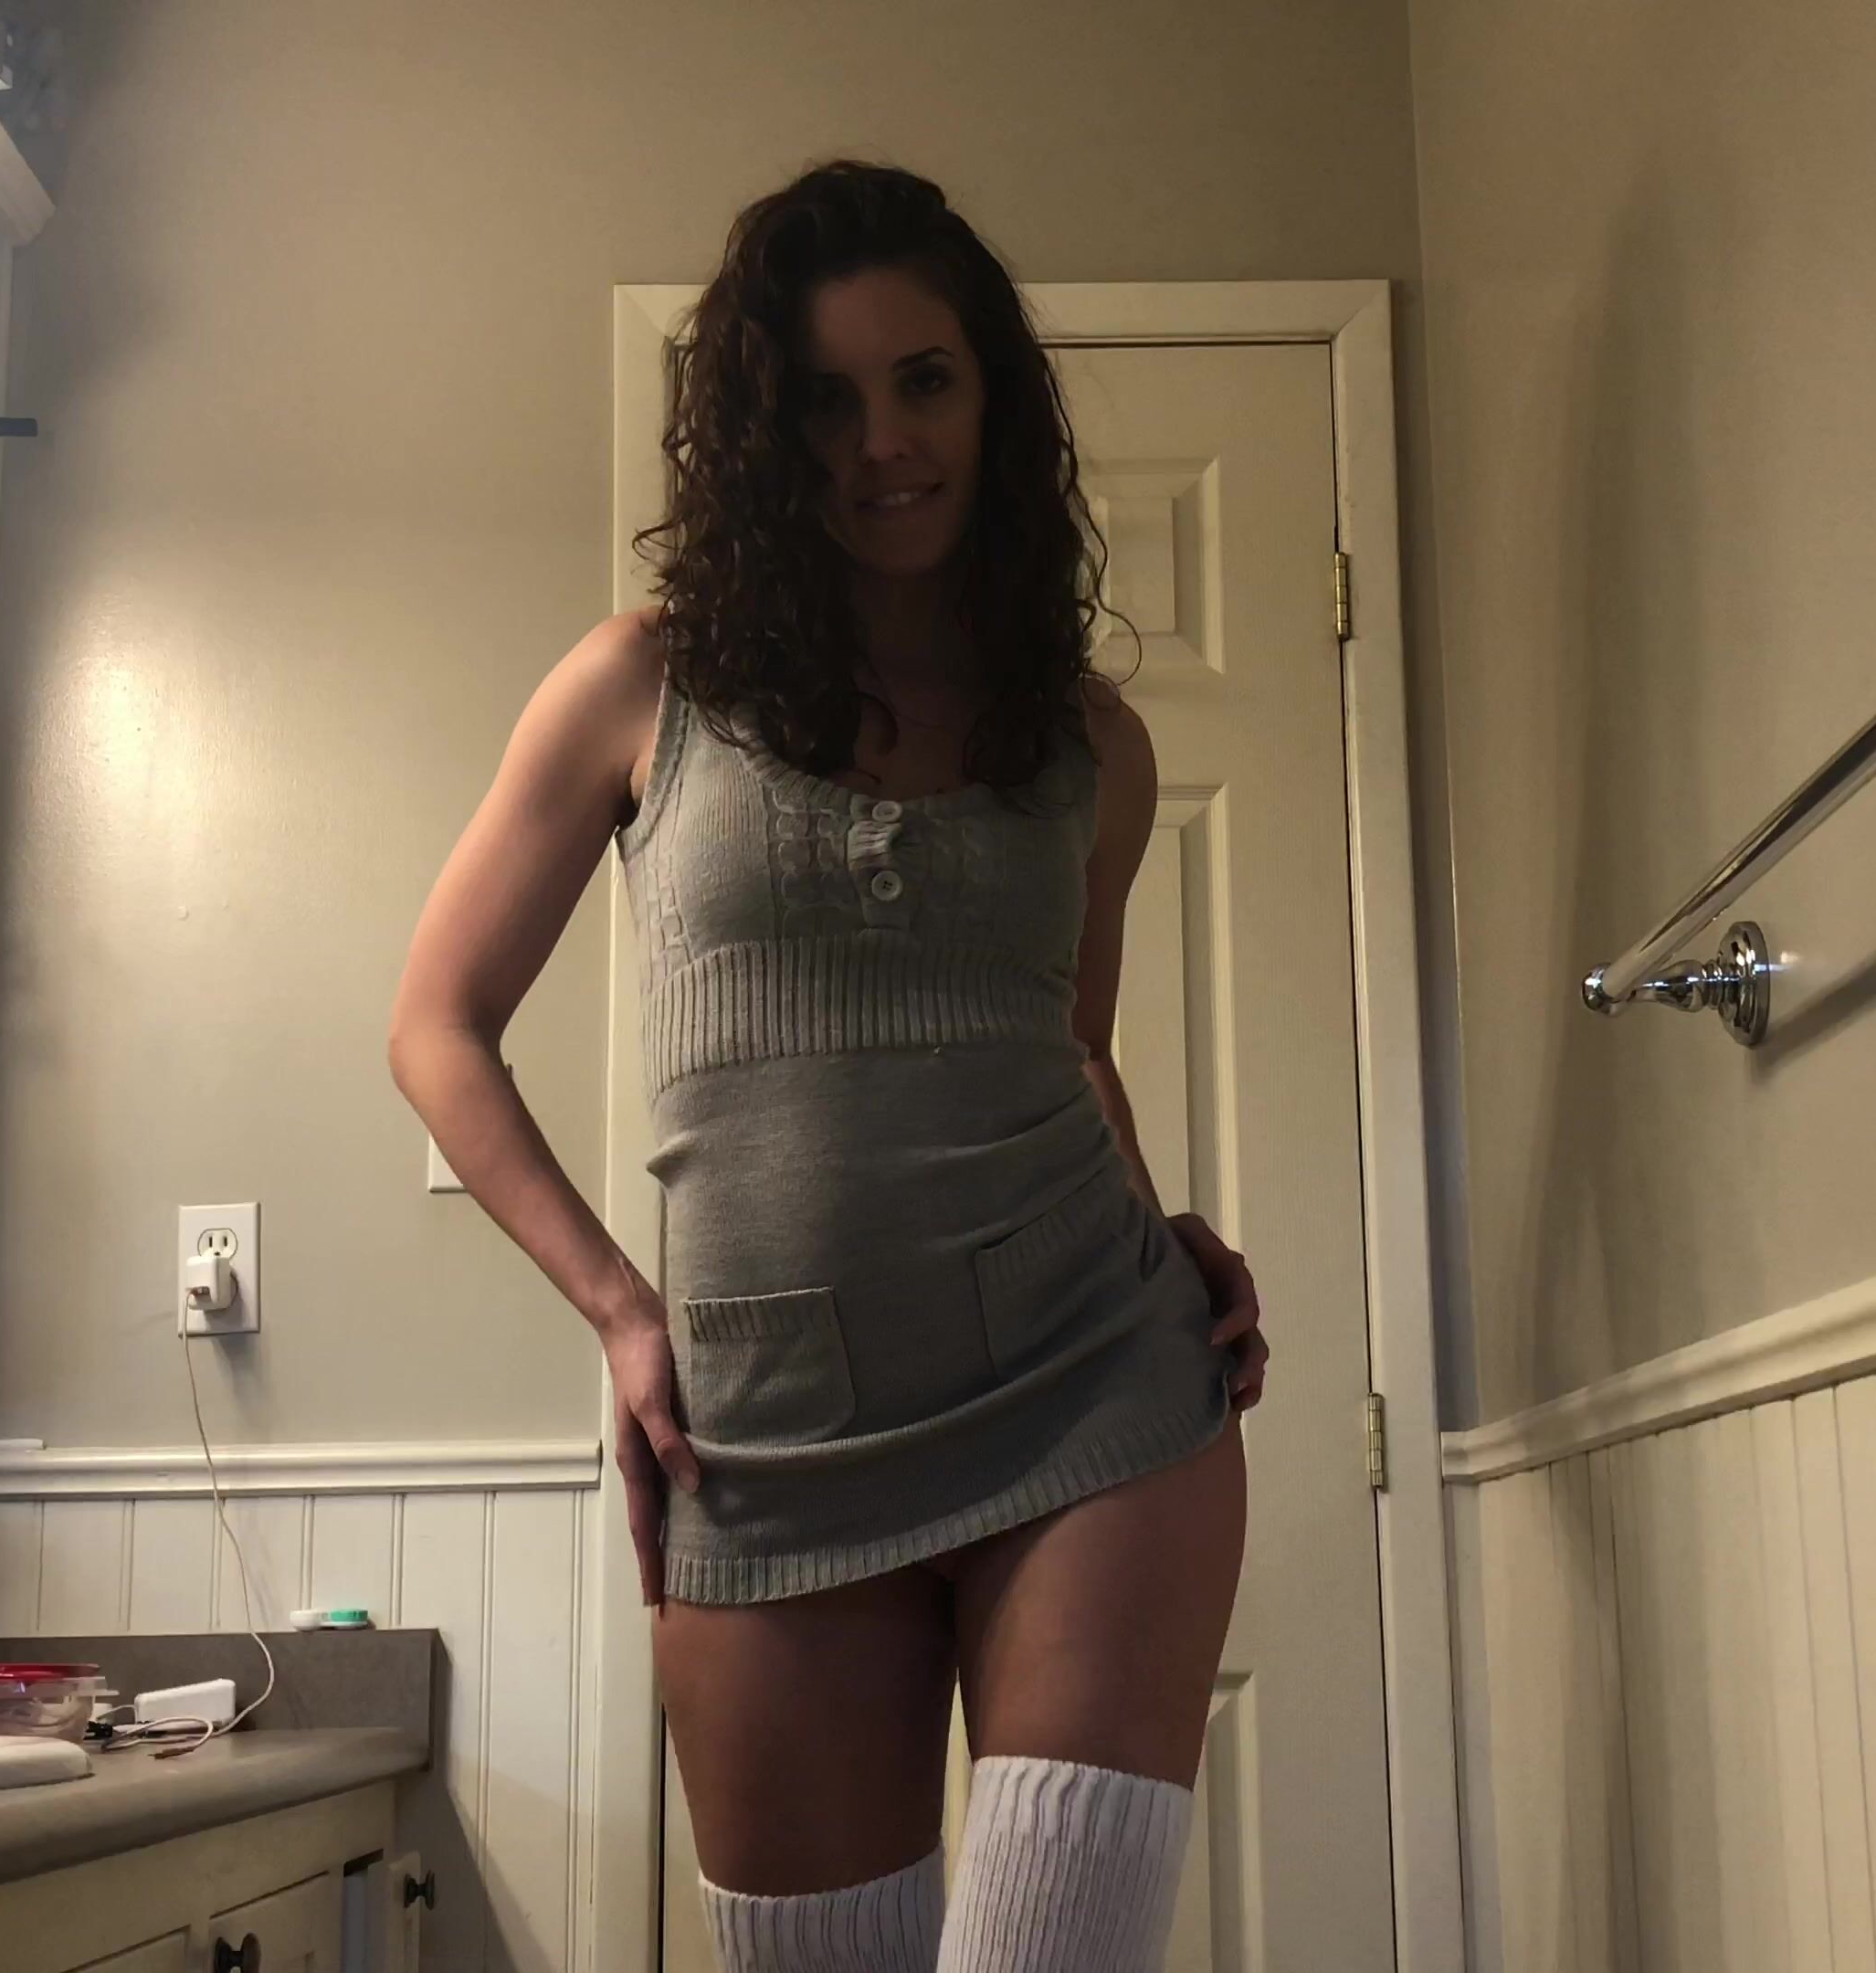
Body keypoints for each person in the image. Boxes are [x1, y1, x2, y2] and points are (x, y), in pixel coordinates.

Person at [390, 160, 1270, 1973]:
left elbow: (1071, 1049)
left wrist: (1161, 1223)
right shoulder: (642, 686)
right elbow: (437, 1026)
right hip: (765, 1435)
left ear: (992, 398)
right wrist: (623, 1314)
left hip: (1095, 1389)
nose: (884, 442)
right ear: (762, 435)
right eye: (825, 399)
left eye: (924, 380)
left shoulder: (1091, 745)